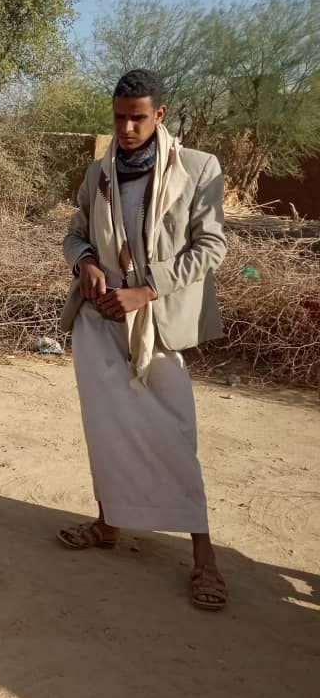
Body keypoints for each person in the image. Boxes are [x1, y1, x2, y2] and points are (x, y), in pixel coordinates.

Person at [57, 69, 229, 611]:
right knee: (106, 429)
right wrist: (86, 263)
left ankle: (204, 557)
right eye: (119, 118)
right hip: (98, 319)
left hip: (157, 322)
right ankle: (108, 523)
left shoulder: (198, 168)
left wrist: (146, 289)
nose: (127, 128)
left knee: (174, 434)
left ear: (160, 115)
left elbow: (210, 247)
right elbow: (75, 233)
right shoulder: (100, 172)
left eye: (138, 118)